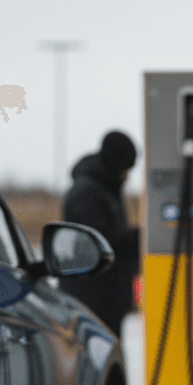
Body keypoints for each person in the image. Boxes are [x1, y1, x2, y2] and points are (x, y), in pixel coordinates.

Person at [60, 131, 140, 338]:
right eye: (126, 169)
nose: (128, 175)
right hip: (93, 304)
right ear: (116, 163)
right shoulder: (86, 194)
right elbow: (98, 246)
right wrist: (137, 239)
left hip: (108, 303)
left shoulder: (106, 188)